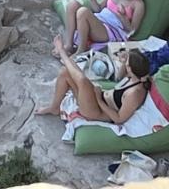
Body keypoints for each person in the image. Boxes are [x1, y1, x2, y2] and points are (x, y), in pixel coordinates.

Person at [36, 39, 164, 143]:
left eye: (127, 64)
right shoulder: (135, 76)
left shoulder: (135, 94)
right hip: (99, 98)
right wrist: (125, 60)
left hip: (96, 111)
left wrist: (98, 99)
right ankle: (54, 107)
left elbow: (119, 119)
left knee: (82, 80)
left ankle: (62, 52)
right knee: (65, 73)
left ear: (130, 68)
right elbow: (119, 78)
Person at [60, 0, 146, 51]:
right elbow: (99, 9)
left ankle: (81, 49)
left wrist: (123, 17)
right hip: (99, 20)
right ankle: (69, 45)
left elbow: (132, 31)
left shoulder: (138, 4)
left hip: (111, 31)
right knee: (72, 5)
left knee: (83, 12)